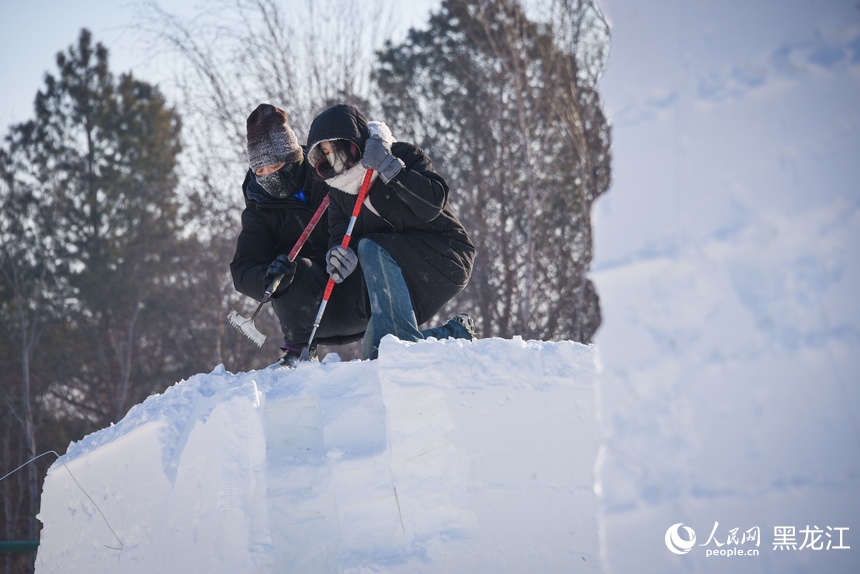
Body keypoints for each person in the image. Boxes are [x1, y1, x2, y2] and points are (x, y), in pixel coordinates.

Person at [306, 103, 476, 360]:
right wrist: (338, 255)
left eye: (333, 148)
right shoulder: (339, 191)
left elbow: (433, 203)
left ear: (350, 143)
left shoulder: (403, 154)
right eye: (325, 153)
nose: (330, 157)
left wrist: (391, 168)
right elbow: (341, 235)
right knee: (381, 350)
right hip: (396, 279)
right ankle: (455, 335)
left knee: (371, 246)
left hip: (444, 257)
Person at [230, 103, 367, 365]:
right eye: (260, 171)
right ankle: (298, 355)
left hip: (359, 296)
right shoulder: (260, 207)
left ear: (295, 156)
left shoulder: (329, 173)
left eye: (277, 165)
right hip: (310, 314)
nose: (269, 175)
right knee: (291, 270)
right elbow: (242, 269)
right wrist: (265, 278)